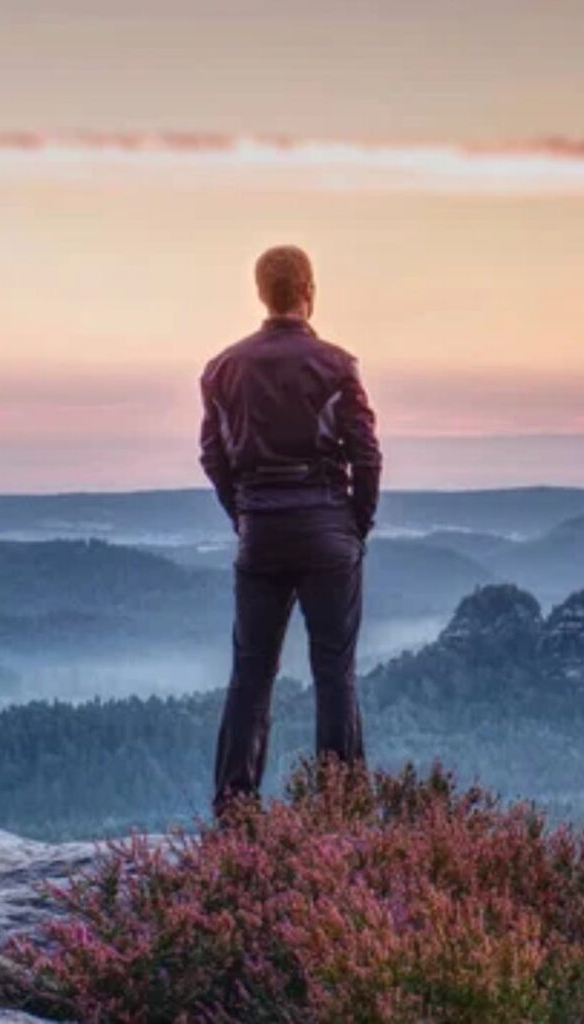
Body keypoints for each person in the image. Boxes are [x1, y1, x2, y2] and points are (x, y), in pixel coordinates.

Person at [199, 244, 382, 816]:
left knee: (251, 672)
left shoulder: (223, 369)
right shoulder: (336, 365)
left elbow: (213, 455)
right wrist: (356, 527)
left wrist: (244, 513)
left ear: (260, 292)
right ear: (310, 290)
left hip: (261, 531)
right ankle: (341, 810)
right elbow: (367, 454)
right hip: (328, 527)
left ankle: (235, 807)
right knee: (335, 671)